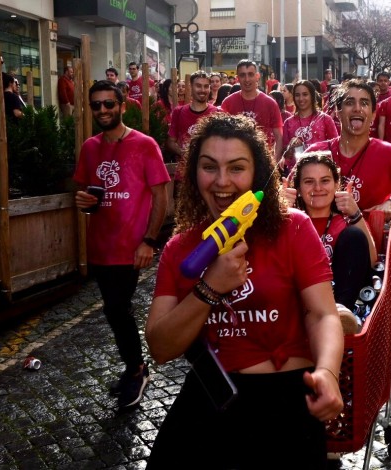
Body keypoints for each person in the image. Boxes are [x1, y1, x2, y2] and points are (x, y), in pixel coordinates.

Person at [145, 113, 344, 468]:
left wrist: (327, 372)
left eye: (236, 168)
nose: (222, 182)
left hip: (285, 399)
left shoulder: (292, 228)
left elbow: (323, 313)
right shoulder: (180, 248)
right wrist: (209, 289)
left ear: (256, 174)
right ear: (194, 175)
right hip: (214, 395)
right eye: (209, 167)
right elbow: (160, 347)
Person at [73, 80, 170, 409]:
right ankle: (132, 367)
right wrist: (83, 200)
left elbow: (161, 197)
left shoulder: (144, 145)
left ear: (122, 106)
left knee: (118, 308)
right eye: (96, 105)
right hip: (101, 246)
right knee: (115, 311)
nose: (102, 110)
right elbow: (88, 197)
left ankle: (138, 369)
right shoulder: (89, 148)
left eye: (108, 104)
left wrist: (149, 241)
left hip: (131, 248)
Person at [304, 79, 391, 220]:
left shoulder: (388, 153)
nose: (357, 108)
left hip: (369, 238)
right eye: (349, 103)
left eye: (364, 103)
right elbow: (290, 191)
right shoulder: (316, 152)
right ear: (338, 112)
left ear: (373, 114)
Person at [290, 153, 377, 313]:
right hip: (299, 301)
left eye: (325, 180)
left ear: (337, 185)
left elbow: (371, 261)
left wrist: (355, 213)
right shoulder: (291, 221)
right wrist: (282, 214)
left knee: (354, 236)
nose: (318, 188)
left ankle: (340, 315)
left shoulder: (348, 221)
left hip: (341, 300)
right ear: (298, 189)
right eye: (309, 182)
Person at [220, 59, 284, 161]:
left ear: (257, 76)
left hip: (263, 161)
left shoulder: (270, 103)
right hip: (235, 160)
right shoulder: (228, 103)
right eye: (242, 75)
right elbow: (220, 135)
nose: (247, 79)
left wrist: (274, 162)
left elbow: (279, 137)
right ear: (237, 78)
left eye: (250, 74)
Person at [166, 70, 218, 178]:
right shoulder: (178, 112)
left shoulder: (217, 113)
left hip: (208, 175)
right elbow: (170, 142)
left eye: (206, 86)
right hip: (183, 174)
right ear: (190, 87)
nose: (203, 90)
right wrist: (184, 153)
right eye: (198, 86)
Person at [281, 80, 338, 175]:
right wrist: (290, 147)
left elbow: (336, 148)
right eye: (297, 95)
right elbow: (285, 155)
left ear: (312, 96)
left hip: (322, 172)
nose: (301, 98)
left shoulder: (325, 119)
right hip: (297, 174)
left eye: (305, 94)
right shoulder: (288, 122)